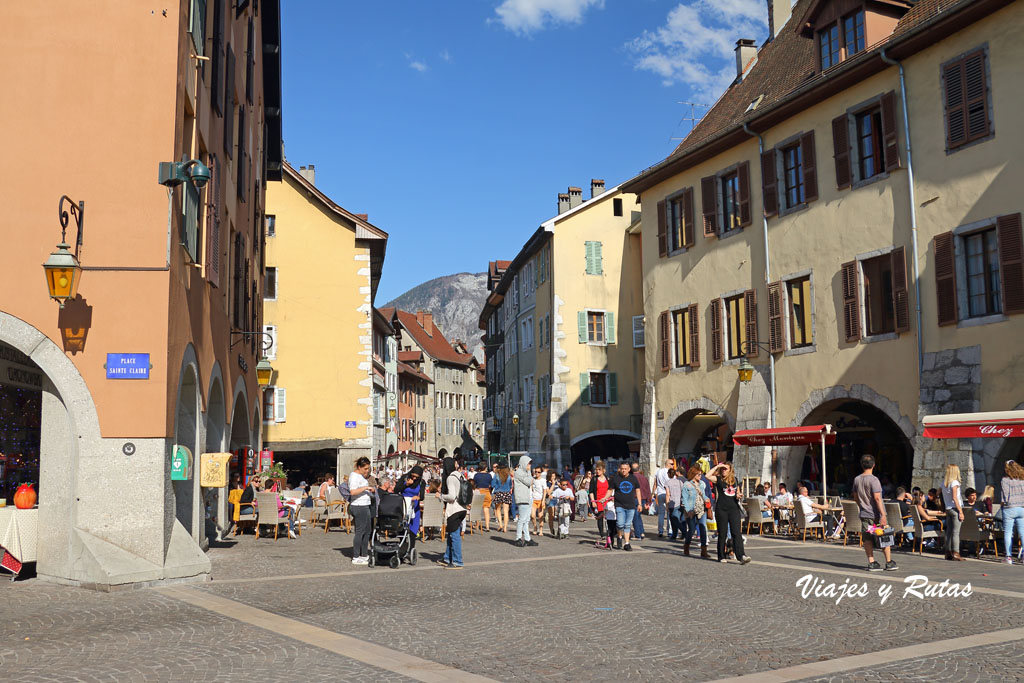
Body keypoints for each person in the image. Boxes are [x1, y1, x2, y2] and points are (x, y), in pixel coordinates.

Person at [852, 455, 897, 572]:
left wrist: (861, 506)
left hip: (864, 514)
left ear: (862, 465)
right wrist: (883, 515)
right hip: (875, 514)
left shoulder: (857, 479)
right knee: (884, 536)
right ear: (873, 465)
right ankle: (888, 562)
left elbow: (855, 496)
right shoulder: (874, 480)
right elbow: (877, 498)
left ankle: (871, 562)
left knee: (867, 539)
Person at [706, 463, 750, 564]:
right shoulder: (718, 479)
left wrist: (739, 495)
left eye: (726, 469)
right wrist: (717, 467)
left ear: (730, 470)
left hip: (733, 508)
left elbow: (737, 493)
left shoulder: (735, 480)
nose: (724, 471)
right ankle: (721, 555)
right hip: (721, 509)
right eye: (722, 469)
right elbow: (707, 476)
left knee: (736, 533)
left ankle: (741, 555)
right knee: (723, 533)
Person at [604, 461, 642, 551]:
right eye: (622, 469)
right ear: (619, 469)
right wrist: (605, 498)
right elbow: (610, 490)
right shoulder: (615, 478)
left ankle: (627, 543)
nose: (624, 471)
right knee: (620, 524)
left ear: (629, 469)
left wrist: (640, 503)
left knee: (628, 525)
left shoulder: (633, 478)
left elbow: (638, 490)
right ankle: (620, 537)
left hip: (631, 505)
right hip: (619, 504)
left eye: (625, 469)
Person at [438, 456, 468, 569]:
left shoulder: (451, 478)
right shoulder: (459, 475)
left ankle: (457, 561)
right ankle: (447, 557)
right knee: (451, 534)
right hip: (462, 508)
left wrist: (441, 496)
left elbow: (452, 496)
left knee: (454, 536)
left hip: (454, 509)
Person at [348, 457, 375, 565]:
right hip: (359, 506)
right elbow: (353, 492)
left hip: (365, 504)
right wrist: (365, 488)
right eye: (365, 468)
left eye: (368, 468)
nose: (367, 471)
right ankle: (356, 556)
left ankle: (364, 554)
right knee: (360, 531)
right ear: (359, 467)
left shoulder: (361, 476)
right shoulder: (354, 476)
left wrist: (369, 490)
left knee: (367, 531)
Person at [394, 465, 425, 554]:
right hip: (404, 505)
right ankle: (402, 547)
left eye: (416, 477)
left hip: (414, 507)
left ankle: (411, 549)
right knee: (403, 527)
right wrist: (406, 485)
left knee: (413, 529)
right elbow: (396, 490)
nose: (414, 478)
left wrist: (418, 497)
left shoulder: (421, 482)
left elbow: (422, 496)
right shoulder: (404, 478)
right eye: (413, 476)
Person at [680, 465, 709, 557]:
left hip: (701, 509)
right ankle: (686, 546)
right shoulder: (687, 485)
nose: (700, 476)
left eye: (701, 474)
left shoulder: (702, 484)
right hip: (691, 509)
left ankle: (704, 550)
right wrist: (688, 510)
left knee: (703, 528)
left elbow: (703, 494)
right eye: (698, 474)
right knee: (692, 529)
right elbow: (684, 499)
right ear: (693, 474)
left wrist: (706, 499)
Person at [1000, 460, 1024, 565]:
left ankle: (1008, 557)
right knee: (1023, 533)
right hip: (1022, 507)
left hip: (1009, 507)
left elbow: (1005, 495)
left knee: (1008, 532)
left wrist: (1003, 504)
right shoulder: (1022, 479)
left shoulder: (1005, 480)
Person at [941, 463, 965, 561]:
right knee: (956, 532)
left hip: (948, 508)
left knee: (949, 532)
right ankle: (956, 552)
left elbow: (939, 493)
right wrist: (961, 511)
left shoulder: (944, 483)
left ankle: (948, 552)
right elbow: (955, 498)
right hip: (955, 508)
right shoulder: (954, 483)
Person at [513, 455, 538, 547]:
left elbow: (531, 480)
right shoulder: (519, 472)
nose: (529, 465)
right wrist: (531, 474)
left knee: (526, 520)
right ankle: (518, 538)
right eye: (528, 463)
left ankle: (527, 538)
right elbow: (529, 481)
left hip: (528, 497)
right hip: (523, 497)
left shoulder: (525, 472)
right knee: (522, 519)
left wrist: (529, 474)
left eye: (530, 463)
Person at [589, 462, 611, 548]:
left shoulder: (607, 478)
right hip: (598, 501)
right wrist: (593, 501)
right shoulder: (594, 479)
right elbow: (591, 491)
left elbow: (610, 489)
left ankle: (609, 533)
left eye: (599, 469)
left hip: (606, 501)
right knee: (600, 518)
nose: (597, 471)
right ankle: (602, 534)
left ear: (603, 470)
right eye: (596, 469)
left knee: (609, 518)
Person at [654, 458, 675, 538]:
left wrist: (654, 493)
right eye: (672, 464)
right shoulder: (670, 473)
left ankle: (660, 530)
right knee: (669, 513)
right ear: (668, 464)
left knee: (661, 513)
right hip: (667, 494)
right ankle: (669, 531)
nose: (673, 465)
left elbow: (655, 483)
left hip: (660, 493)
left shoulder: (658, 471)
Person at [630, 462, 652, 540]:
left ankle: (638, 534)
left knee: (635, 516)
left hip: (634, 498)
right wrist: (648, 502)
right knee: (638, 516)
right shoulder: (644, 478)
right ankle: (641, 532)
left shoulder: (631, 478)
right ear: (639, 469)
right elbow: (648, 490)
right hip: (643, 499)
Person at [492, 464, 514, 533]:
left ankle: (500, 525)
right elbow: (511, 485)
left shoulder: (496, 475)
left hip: (498, 493)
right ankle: (505, 527)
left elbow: (493, 484)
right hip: (506, 493)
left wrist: (497, 487)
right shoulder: (508, 476)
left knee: (498, 509)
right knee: (506, 511)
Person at [472, 465, 494, 532]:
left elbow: (474, 483)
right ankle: (487, 527)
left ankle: (477, 525)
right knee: (486, 509)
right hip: (487, 492)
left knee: (477, 510)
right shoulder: (489, 475)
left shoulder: (476, 475)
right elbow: (491, 485)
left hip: (479, 491)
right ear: (485, 468)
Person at [664, 467, 683, 541]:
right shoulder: (679, 482)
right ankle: (675, 534)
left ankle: (683, 531)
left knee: (674, 520)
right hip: (678, 502)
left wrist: (667, 505)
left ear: (669, 474)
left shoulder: (667, 482)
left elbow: (668, 494)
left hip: (672, 503)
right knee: (676, 518)